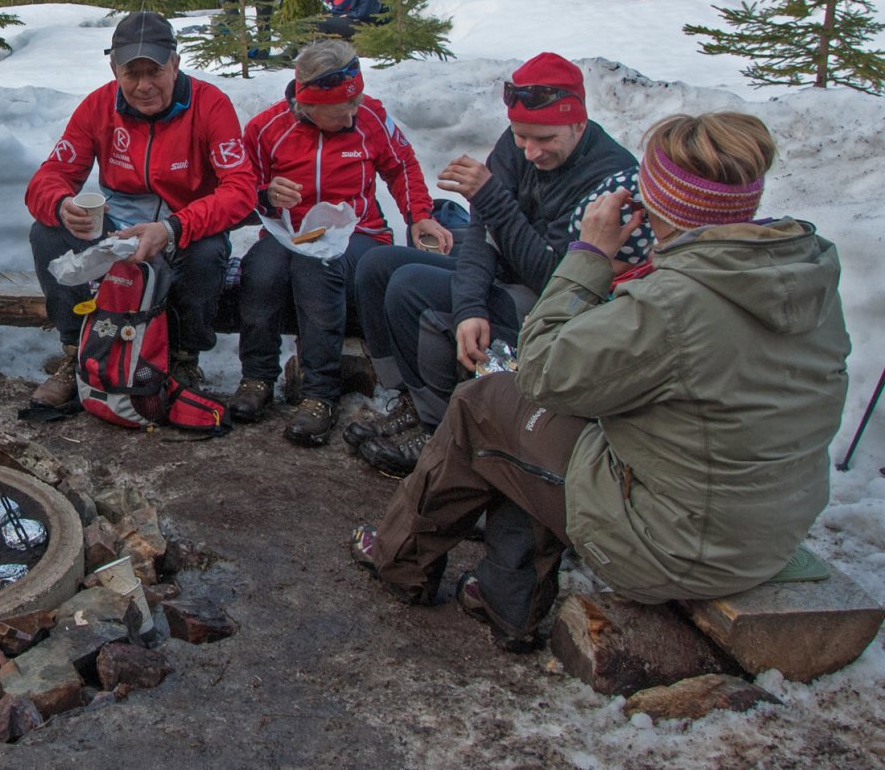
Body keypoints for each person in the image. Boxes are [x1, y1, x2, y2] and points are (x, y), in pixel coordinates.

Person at [350, 112, 851, 651]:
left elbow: (543, 371)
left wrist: (588, 255)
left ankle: (400, 561)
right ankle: (503, 595)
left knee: (488, 402)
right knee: (538, 426)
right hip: (769, 532)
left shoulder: (674, 305)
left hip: (676, 549)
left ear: (655, 202)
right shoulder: (800, 273)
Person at [346, 53, 635, 475]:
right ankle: (407, 397)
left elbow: (555, 277)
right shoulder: (516, 144)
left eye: (545, 139)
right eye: (521, 137)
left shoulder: (608, 177)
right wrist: (470, 307)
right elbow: (482, 234)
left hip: (550, 305)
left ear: (578, 123)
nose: (531, 151)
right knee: (378, 266)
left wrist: (492, 200)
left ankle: (438, 428)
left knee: (410, 287)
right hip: (506, 272)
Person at [23, 11, 257, 416]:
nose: (143, 85)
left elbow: (241, 190)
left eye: (155, 71)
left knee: (207, 251)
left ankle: (183, 361)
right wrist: (62, 204)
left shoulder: (210, 105)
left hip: (183, 226)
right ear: (114, 69)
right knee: (46, 234)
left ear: (175, 64)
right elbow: (49, 176)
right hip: (117, 229)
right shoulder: (98, 107)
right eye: (132, 73)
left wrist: (172, 228)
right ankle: (76, 351)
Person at [234, 39, 453, 445]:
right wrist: (265, 195)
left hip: (360, 234)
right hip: (289, 233)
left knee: (319, 267)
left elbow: (401, 164)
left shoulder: (371, 116)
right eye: (340, 112)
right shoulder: (267, 129)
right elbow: (241, 189)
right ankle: (256, 377)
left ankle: (320, 393)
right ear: (308, 106)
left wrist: (419, 214)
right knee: (259, 271)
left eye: (355, 105)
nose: (353, 116)